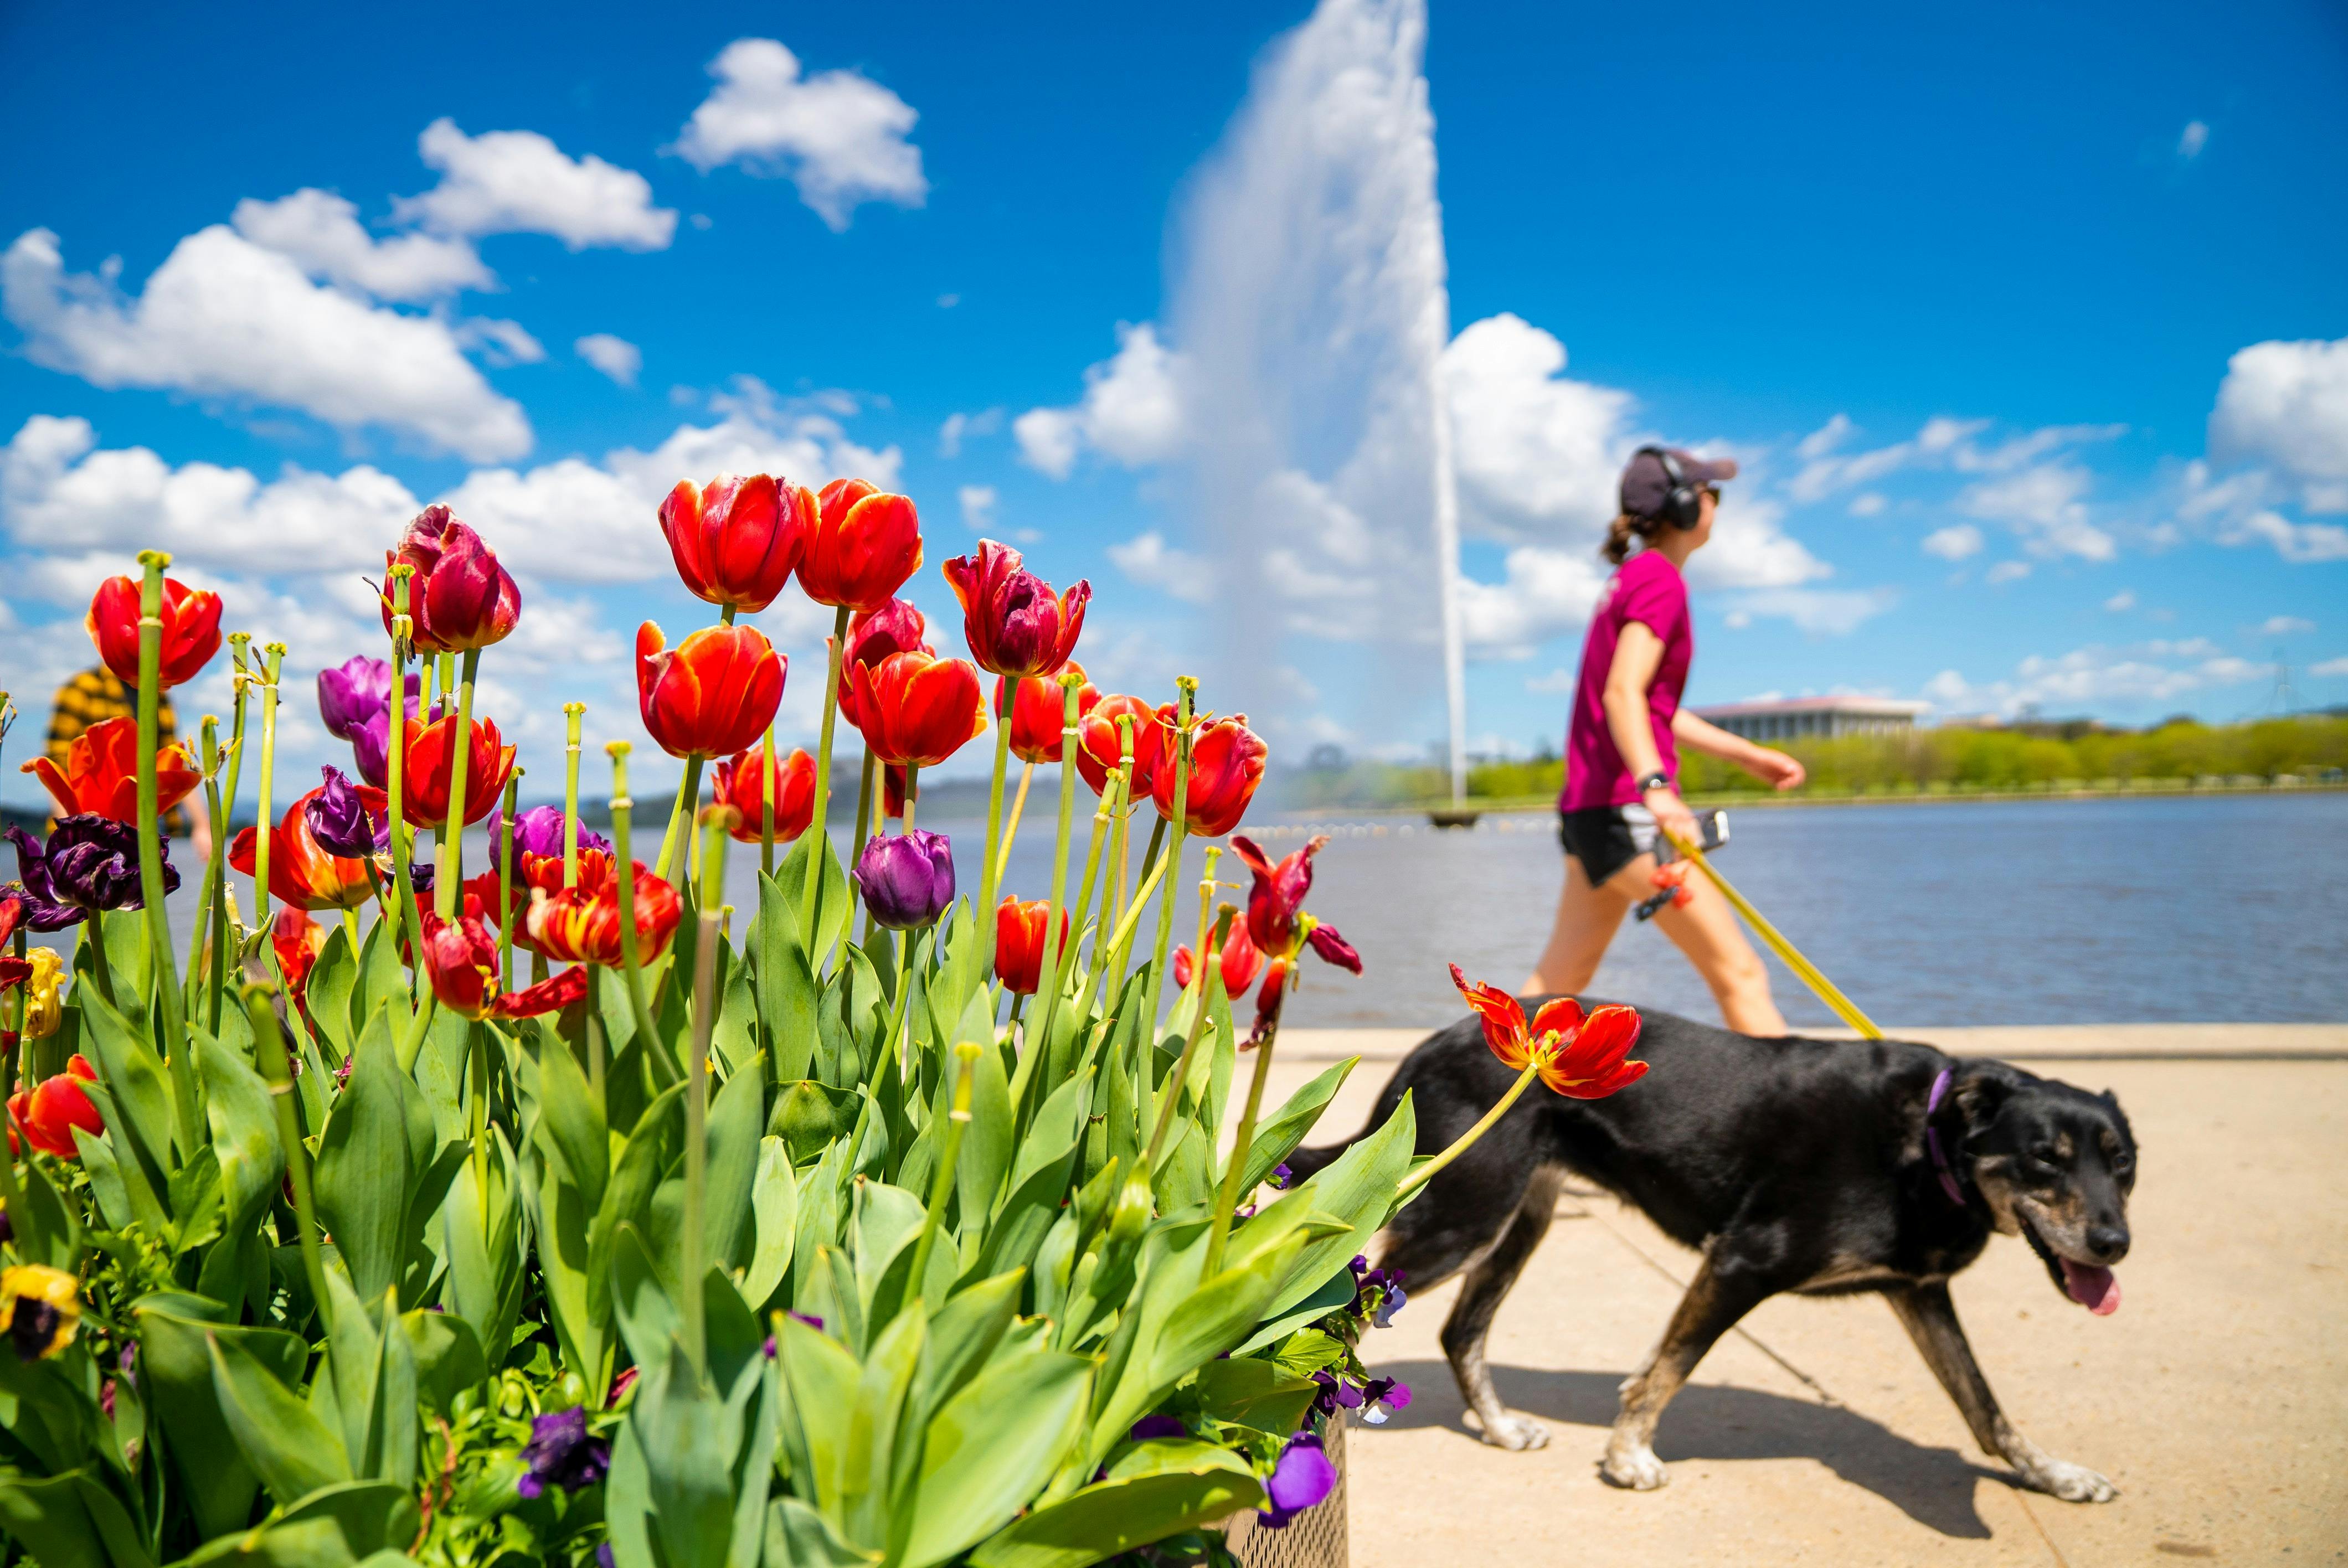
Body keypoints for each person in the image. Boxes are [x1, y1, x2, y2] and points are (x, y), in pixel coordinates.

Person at [1525, 447, 1804, 1034]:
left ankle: (1466, 1099)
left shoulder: (1632, 577)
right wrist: (1657, 791)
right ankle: (1798, 1128)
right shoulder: (1658, 580)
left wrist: (1748, 755)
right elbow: (1622, 693)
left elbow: (1653, 708)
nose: (1715, 506)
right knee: (1740, 974)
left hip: (1592, 812)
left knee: (1558, 984)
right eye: (1712, 494)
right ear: (1682, 505)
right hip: (1627, 814)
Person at [42, 664, 212, 857]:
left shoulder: (158, 693)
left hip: (150, 824)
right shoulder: (82, 688)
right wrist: (70, 834)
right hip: (90, 828)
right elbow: (56, 763)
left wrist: (202, 826)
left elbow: (175, 759)